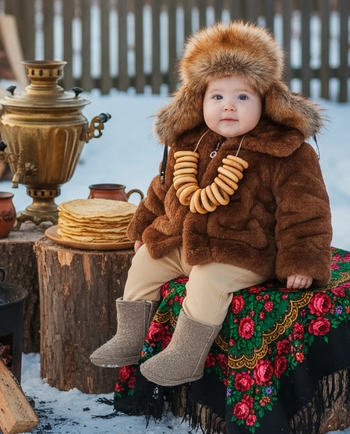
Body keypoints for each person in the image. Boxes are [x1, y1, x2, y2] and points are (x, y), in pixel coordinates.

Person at [90, 21, 332, 387]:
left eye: (242, 97)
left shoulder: (285, 152)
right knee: (145, 260)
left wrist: (302, 261)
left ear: (266, 102)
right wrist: (143, 227)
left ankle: (186, 355)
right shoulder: (190, 141)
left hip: (244, 251)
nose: (228, 107)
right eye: (217, 97)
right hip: (185, 240)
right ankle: (129, 337)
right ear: (198, 100)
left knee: (207, 279)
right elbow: (161, 189)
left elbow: (306, 211)